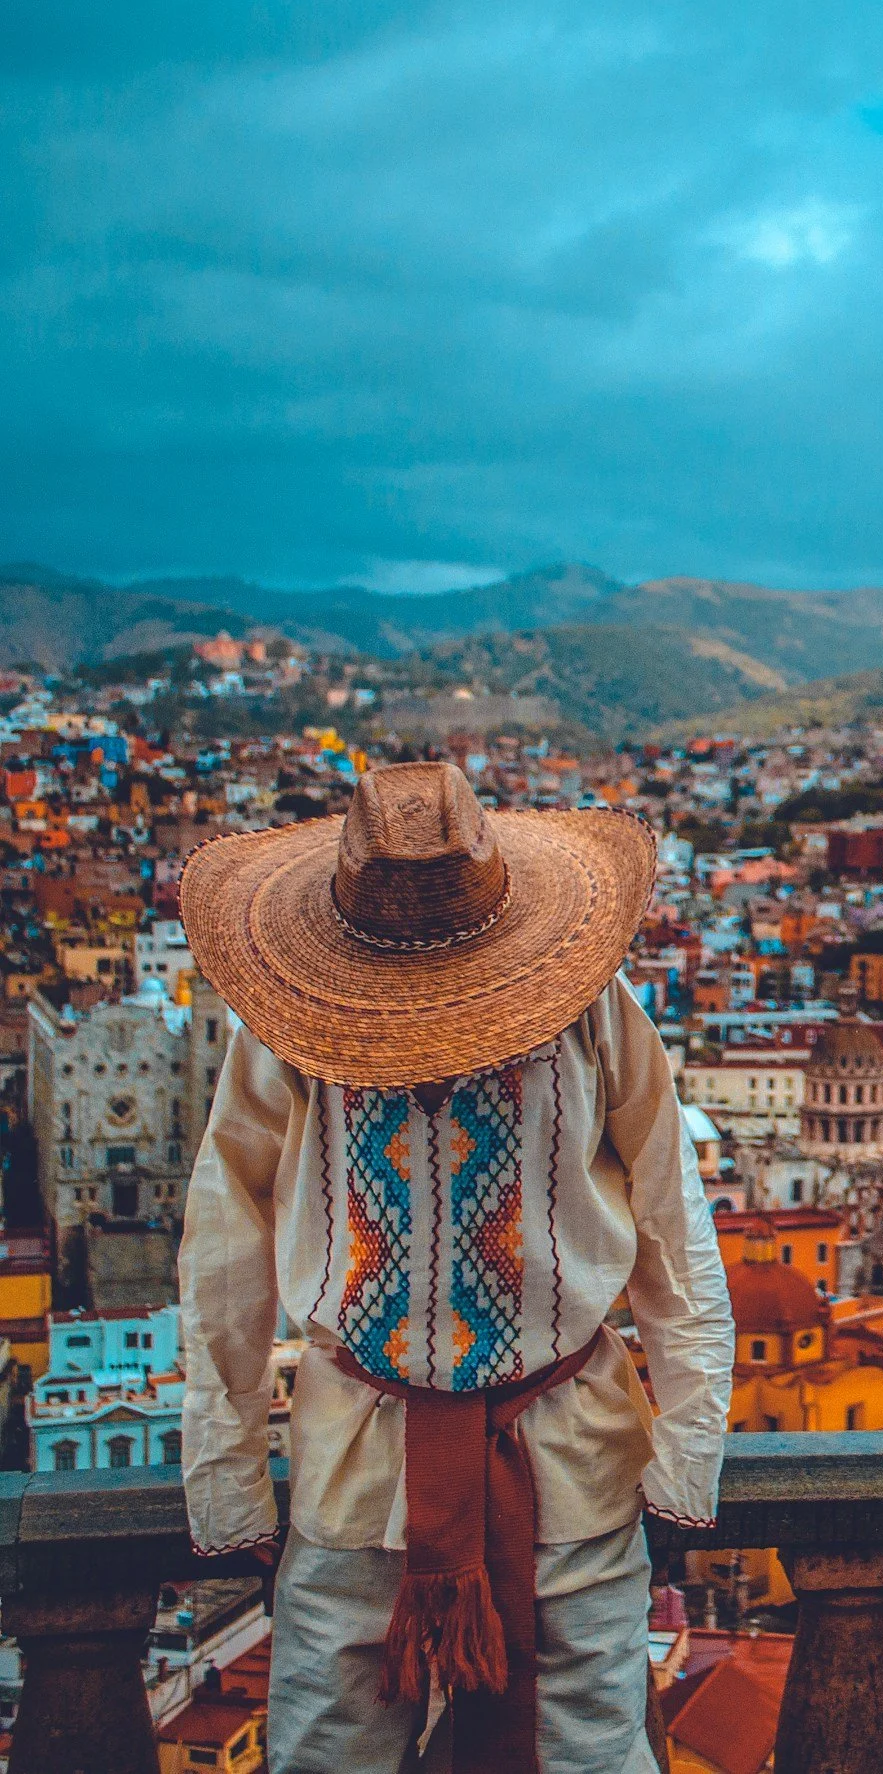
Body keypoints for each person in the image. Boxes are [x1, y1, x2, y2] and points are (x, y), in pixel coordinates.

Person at [177, 760, 734, 1774]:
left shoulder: (596, 1010)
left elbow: (669, 1220)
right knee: (329, 1751)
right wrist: (226, 1468)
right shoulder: (284, 1033)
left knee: (588, 1752)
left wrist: (691, 1437)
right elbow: (227, 1238)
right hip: (361, 1467)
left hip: (562, 1456)